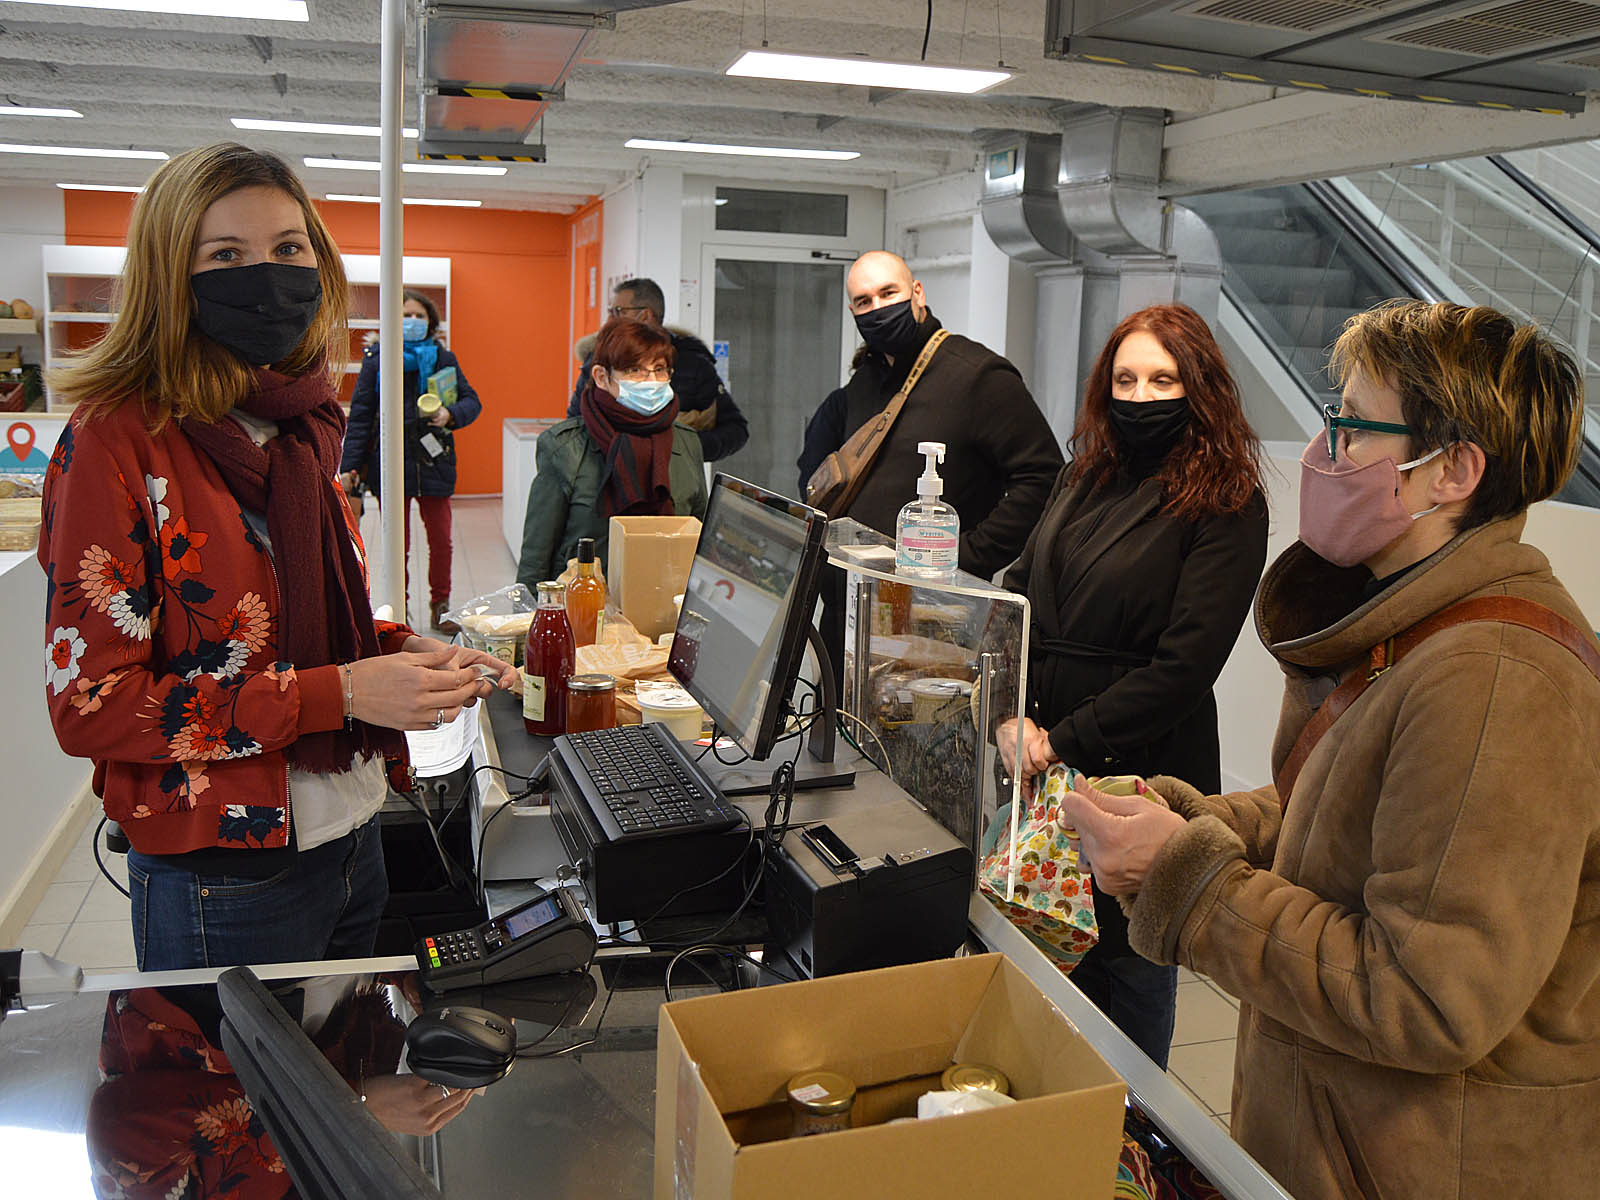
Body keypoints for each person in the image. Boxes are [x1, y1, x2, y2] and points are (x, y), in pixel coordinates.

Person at [1057, 300, 1600, 1200]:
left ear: (1453, 470)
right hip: (1342, 1138)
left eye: (1352, 427)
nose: (1323, 451)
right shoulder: (1416, 624)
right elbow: (1352, 819)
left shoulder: (1496, 679)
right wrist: (1198, 822)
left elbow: (1427, 998)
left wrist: (1187, 881)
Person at [39, 143, 516, 972]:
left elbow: (296, 620)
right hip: (226, 872)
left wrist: (396, 651)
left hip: (353, 829)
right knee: (240, 1099)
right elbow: (92, 705)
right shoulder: (118, 440)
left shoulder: (302, 427)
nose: (268, 276)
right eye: (226, 255)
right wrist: (345, 692)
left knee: (336, 1086)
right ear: (168, 276)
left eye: (288, 249)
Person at [994, 303, 1268, 1069]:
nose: (1141, 395)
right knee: (1044, 966)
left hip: (1144, 767)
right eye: (1125, 378)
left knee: (1128, 971)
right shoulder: (1084, 474)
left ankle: (1130, 1152)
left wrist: (1060, 739)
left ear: (1200, 387)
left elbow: (1184, 667)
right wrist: (1011, 715)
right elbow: (1018, 594)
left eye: (1163, 379)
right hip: (1037, 760)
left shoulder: (1230, 503)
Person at [519, 317, 708, 588]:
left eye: (660, 369)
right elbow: (537, 553)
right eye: (634, 370)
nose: (651, 381)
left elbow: (700, 538)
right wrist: (529, 617)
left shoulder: (686, 442)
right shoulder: (565, 447)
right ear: (601, 377)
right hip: (585, 604)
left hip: (665, 602)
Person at [338, 288, 482, 634]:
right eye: (406, 315)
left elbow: (471, 402)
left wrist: (450, 414)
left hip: (435, 462)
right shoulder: (377, 359)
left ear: (431, 321)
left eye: (419, 316)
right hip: (388, 463)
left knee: (441, 539)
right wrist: (350, 465)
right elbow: (360, 417)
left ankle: (441, 605)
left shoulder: (444, 358)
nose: (413, 321)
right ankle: (398, 609)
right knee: (395, 543)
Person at [567, 277, 748, 462]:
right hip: (605, 475)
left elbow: (735, 430)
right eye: (633, 371)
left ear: (645, 315)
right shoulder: (598, 359)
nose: (609, 320)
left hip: (672, 482)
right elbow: (573, 426)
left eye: (618, 311)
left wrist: (683, 448)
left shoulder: (693, 364)